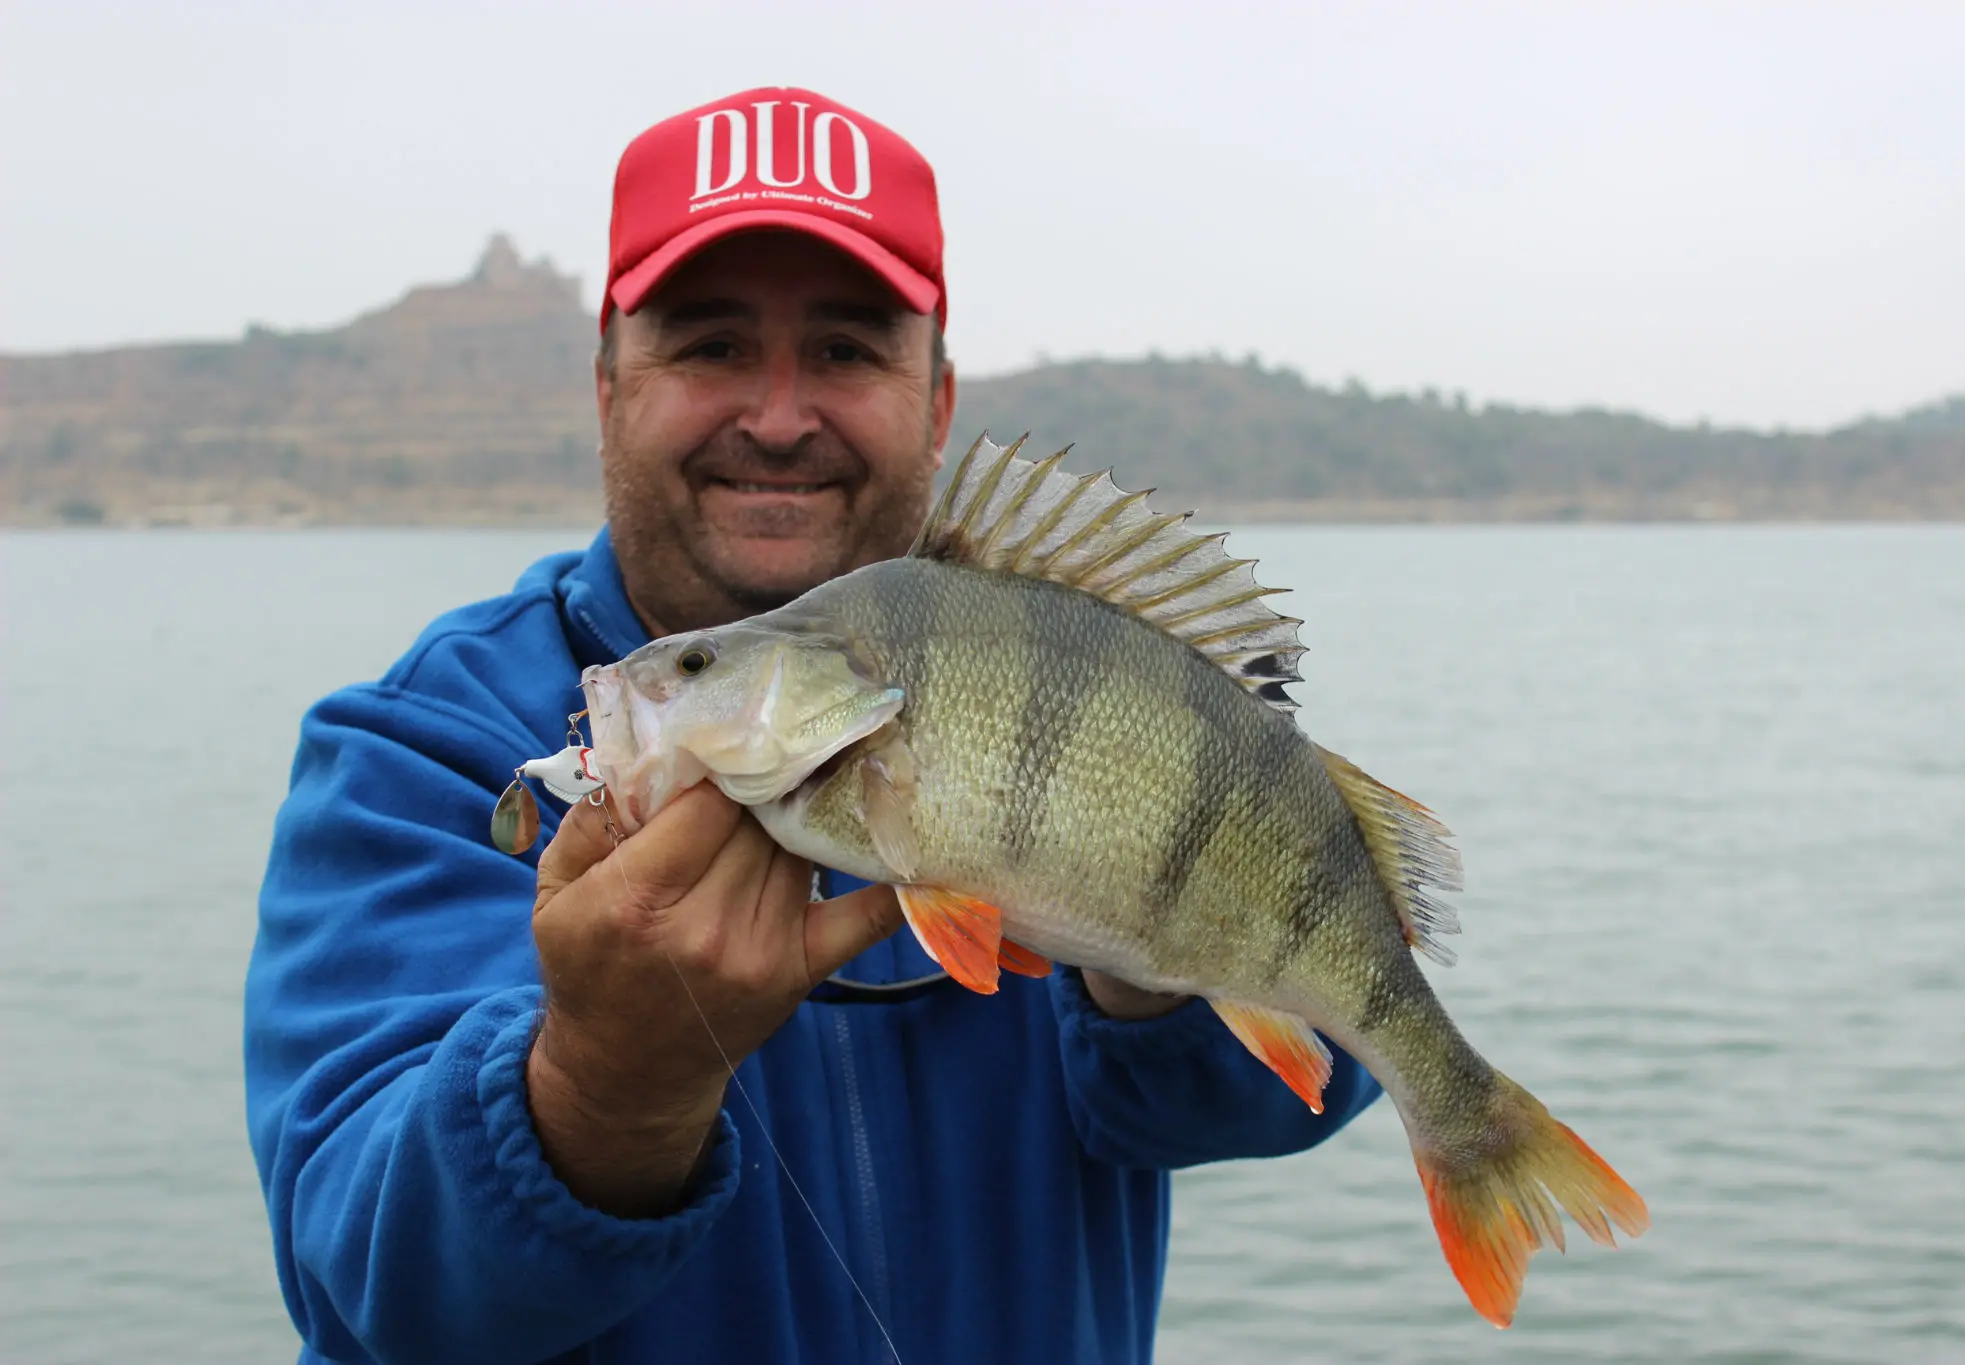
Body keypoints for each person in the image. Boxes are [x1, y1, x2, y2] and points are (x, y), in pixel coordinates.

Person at [244, 86, 1380, 1365]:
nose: (778, 416)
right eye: (710, 345)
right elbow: (370, 1287)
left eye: (846, 350)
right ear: (608, 383)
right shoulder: (416, 753)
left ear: (938, 400)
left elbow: (1293, 1084)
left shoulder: (1066, 662)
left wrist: (1137, 937)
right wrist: (603, 1091)